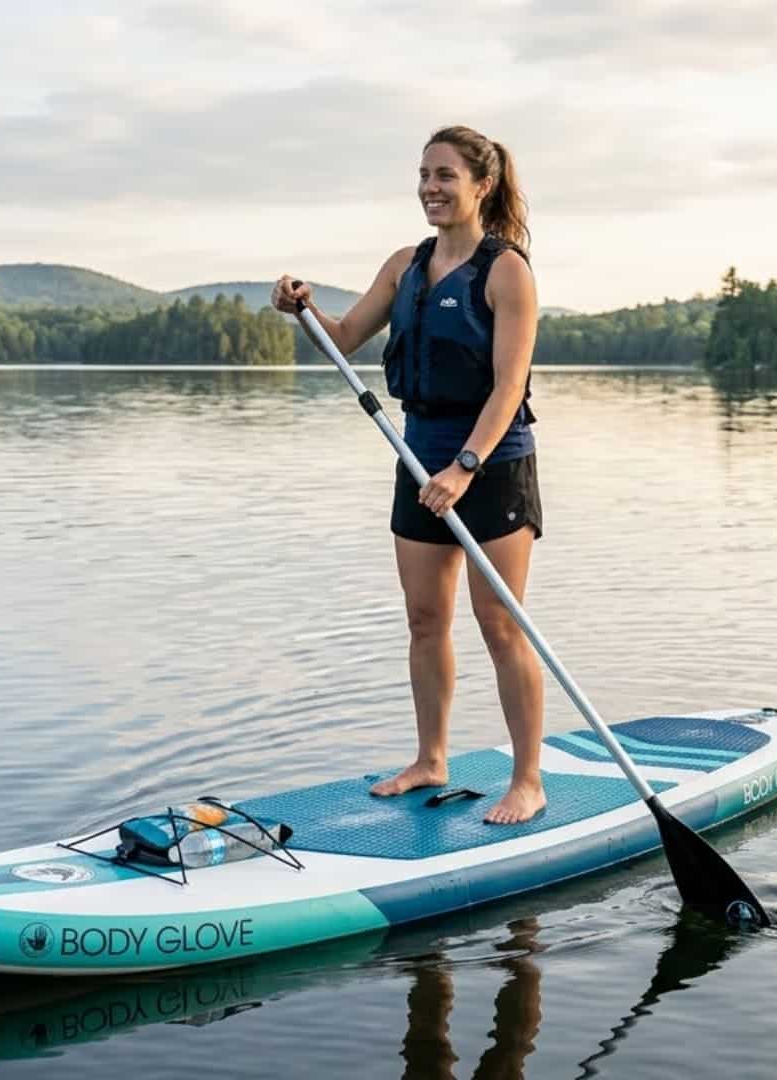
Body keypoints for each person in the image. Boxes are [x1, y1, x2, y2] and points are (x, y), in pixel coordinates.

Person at [272, 125, 546, 825]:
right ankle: (431, 757)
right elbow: (344, 335)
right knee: (425, 619)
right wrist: (303, 309)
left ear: (481, 185)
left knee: (500, 625)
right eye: (424, 174)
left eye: (446, 175)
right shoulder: (405, 265)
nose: (431, 186)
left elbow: (508, 387)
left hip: (492, 464)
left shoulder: (506, 270)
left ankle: (528, 779)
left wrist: (465, 467)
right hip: (417, 455)